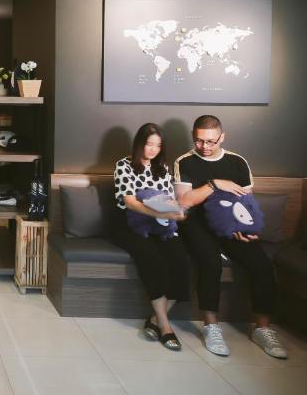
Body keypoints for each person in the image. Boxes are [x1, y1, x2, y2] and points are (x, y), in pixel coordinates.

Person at [175, 114, 286, 359]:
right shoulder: (185, 161)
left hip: (231, 225)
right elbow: (184, 202)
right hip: (196, 225)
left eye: (210, 141)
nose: (204, 146)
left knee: (262, 264)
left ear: (222, 137)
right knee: (210, 261)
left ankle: (263, 329)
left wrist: (245, 229)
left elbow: (247, 202)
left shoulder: (238, 162)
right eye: (199, 140)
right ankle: (211, 327)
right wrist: (214, 184)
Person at [111, 123, 188, 350]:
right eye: (149, 144)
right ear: (139, 144)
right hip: (130, 224)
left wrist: (176, 211)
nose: (153, 149)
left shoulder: (162, 167)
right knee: (153, 260)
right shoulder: (124, 165)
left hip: (160, 224)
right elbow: (130, 202)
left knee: (180, 261)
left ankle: (154, 320)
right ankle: (165, 326)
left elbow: (167, 198)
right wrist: (158, 213)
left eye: (158, 145)